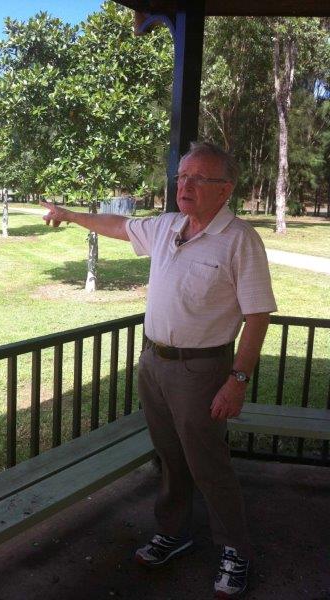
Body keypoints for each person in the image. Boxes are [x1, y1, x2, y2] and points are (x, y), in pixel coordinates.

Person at [41, 141, 277, 598]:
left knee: (208, 464)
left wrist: (238, 379)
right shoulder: (169, 226)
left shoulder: (240, 240)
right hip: (154, 362)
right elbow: (118, 225)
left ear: (224, 189)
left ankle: (235, 549)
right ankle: (176, 532)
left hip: (203, 370)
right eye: (181, 176)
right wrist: (71, 216)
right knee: (169, 458)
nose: (183, 186)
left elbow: (258, 316)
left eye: (197, 179)